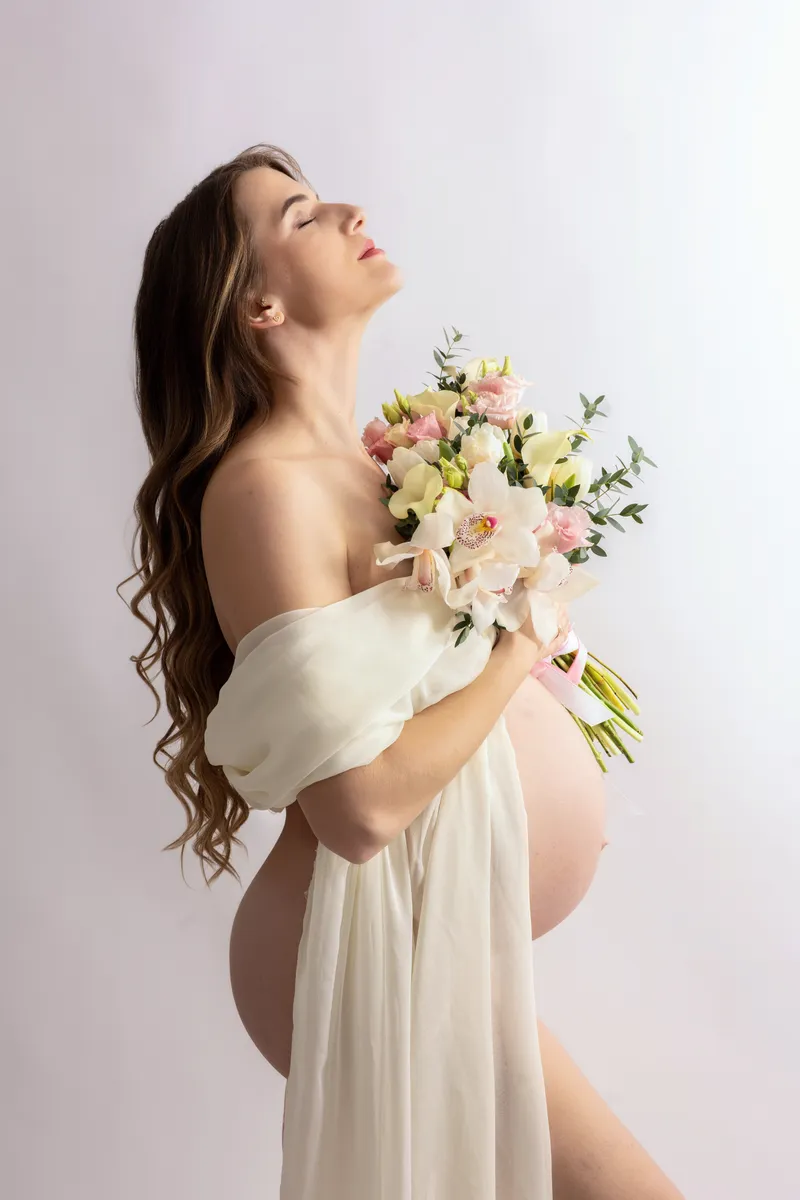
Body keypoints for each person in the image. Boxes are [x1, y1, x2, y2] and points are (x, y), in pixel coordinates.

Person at [121, 141, 685, 1198]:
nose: (345, 210)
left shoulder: (383, 468)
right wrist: (513, 645)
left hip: (443, 926)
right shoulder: (263, 493)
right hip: (365, 942)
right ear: (257, 309)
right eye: (298, 216)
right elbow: (361, 810)